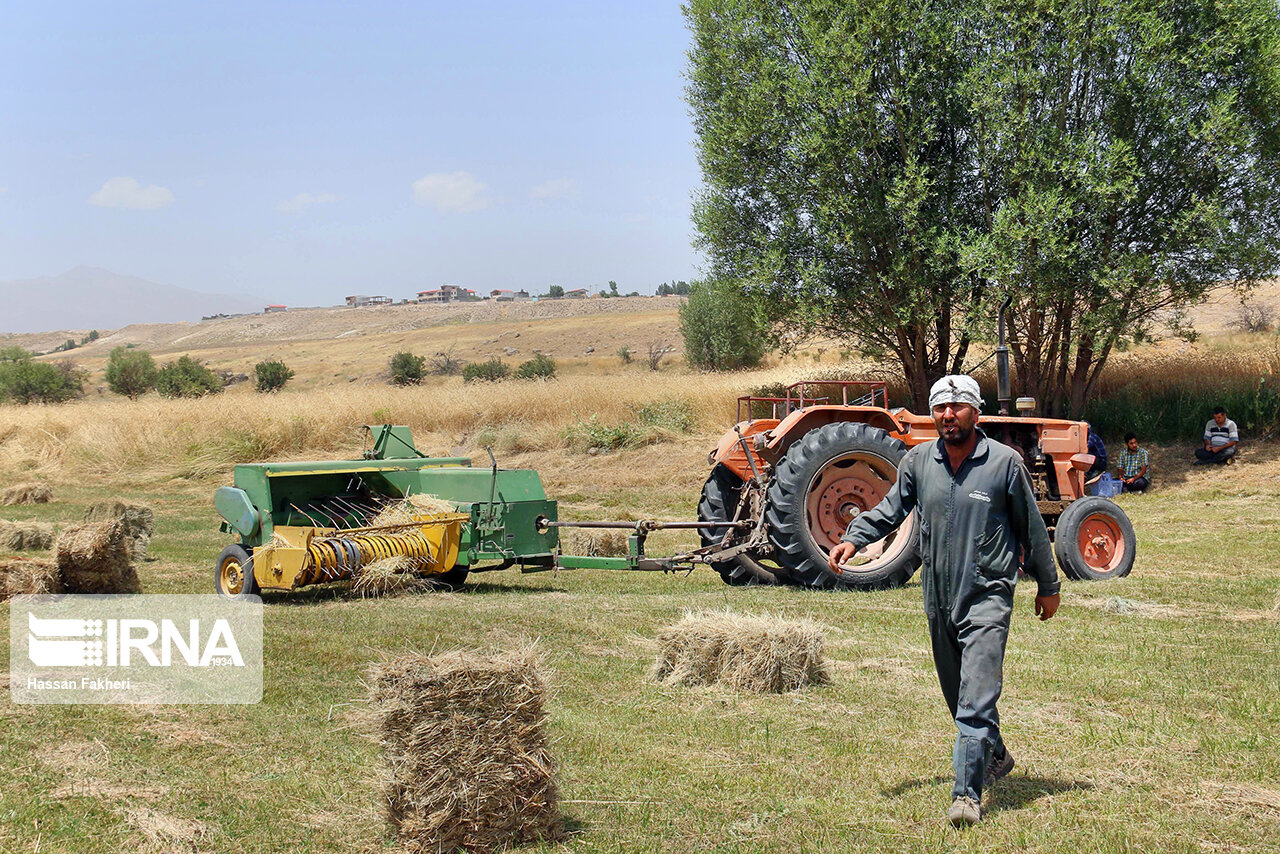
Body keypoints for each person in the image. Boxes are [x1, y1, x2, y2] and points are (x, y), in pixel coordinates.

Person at [827, 375, 1059, 828]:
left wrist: (1048, 586)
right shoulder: (919, 461)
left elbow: (1031, 528)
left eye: (957, 407)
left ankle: (966, 796)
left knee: (975, 697)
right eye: (940, 408)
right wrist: (854, 538)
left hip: (988, 593)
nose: (948, 415)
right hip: (938, 595)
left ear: (976, 411)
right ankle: (996, 755)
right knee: (958, 695)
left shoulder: (1003, 464)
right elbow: (891, 509)